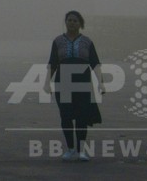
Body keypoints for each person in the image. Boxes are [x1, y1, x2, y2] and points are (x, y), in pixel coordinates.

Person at [44, 11, 105, 161]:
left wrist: (101, 83)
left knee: (81, 117)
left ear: (80, 24)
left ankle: (81, 150)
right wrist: (47, 83)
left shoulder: (87, 42)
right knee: (65, 115)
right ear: (65, 22)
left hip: (82, 83)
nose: (72, 23)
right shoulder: (58, 41)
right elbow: (52, 63)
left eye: (75, 21)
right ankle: (70, 148)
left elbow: (95, 64)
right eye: (69, 20)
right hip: (63, 82)